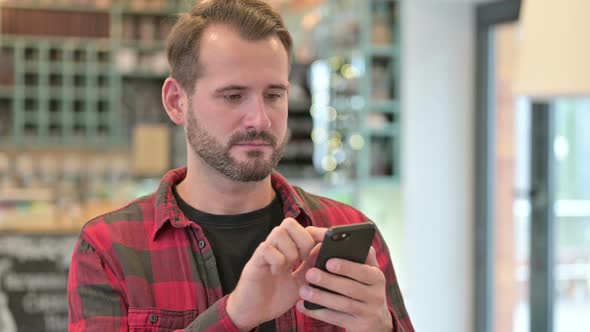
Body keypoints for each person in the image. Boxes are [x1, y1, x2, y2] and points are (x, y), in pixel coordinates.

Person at [67, 0, 414, 331]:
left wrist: (381, 327)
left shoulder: (347, 229)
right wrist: (234, 317)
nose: (260, 119)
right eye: (234, 96)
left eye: (274, 95)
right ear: (177, 102)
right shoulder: (110, 248)